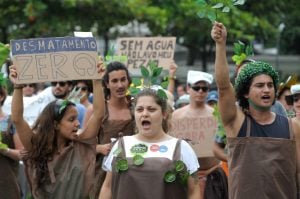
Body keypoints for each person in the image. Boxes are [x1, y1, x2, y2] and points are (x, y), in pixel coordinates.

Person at [211, 22, 300, 199]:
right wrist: (220, 45)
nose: (266, 90)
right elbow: (223, 87)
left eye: (270, 85)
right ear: (245, 92)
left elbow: (298, 173)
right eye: (259, 86)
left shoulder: (293, 126)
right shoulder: (235, 122)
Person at [9, 61, 105, 199]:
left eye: (77, 119)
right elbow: (17, 118)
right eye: (71, 120)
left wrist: (97, 80)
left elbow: (98, 114)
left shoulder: (82, 145)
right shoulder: (37, 146)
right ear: (55, 125)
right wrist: (18, 86)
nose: (78, 124)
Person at [99, 88, 201, 199]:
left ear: (164, 114)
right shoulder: (120, 145)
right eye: (139, 110)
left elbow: (194, 191)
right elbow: (107, 187)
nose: (145, 114)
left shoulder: (182, 148)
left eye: (151, 109)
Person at [172, 70, 228, 199]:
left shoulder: (216, 114)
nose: (200, 92)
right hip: (185, 177)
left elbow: (223, 145)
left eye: (204, 88)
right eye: (196, 88)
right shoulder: (176, 116)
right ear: (188, 88)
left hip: (213, 175)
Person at [85, 61, 136, 198]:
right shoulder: (96, 111)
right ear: (107, 84)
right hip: (102, 175)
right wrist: (100, 148)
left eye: (123, 80)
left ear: (128, 81)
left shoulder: (137, 107)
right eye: (114, 81)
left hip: (133, 172)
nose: (120, 85)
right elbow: (81, 145)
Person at [0, 84, 24, 199]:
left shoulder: (11, 122)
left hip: (6, 187)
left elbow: (22, 154)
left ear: (1, 96)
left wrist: (4, 150)